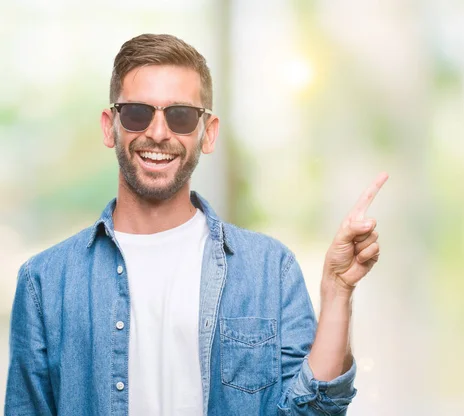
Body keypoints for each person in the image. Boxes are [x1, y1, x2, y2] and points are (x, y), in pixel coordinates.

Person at [4, 34, 387, 416]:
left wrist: (338, 290)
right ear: (110, 126)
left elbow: (311, 412)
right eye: (138, 112)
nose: (158, 133)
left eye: (180, 116)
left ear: (209, 133)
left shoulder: (269, 269)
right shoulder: (45, 282)